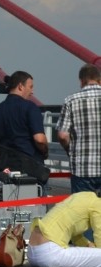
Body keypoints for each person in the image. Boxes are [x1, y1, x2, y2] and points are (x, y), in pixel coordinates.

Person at [0, 71, 48, 175]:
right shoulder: (30, 108)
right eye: (30, 87)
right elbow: (40, 139)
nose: (32, 91)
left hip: (4, 171)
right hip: (30, 170)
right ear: (20, 86)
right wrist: (45, 151)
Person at [57, 64, 101, 193]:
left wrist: (70, 150)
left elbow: (62, 135)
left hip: (82, 169)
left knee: (82, 212)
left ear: (81, 81)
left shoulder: (71, 100)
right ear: (100, 80)